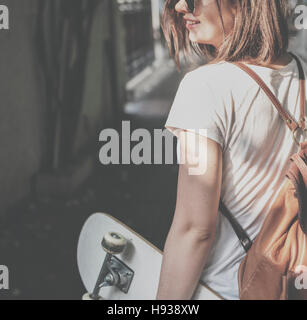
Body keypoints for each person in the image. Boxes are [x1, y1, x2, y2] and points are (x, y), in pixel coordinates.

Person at [156, 0, 307, 300]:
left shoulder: (203, 87)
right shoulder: (302, 70)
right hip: (286, 286)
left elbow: (194, 229)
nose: (182, 6)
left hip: (222, 290)